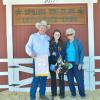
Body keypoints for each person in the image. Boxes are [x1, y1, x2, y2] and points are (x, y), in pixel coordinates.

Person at [25, 20, 50, 100]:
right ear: (39, 28)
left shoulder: (48, 38)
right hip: (37, 60)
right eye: (41, 27)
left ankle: (42, 95)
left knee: (43, 79)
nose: (43, 28)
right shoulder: (33, 36)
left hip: (46, 60)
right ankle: (32, 97)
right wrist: (31, 53)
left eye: (44, 27)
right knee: (36, 79)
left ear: (46, 29)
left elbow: (49, 49)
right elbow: (28, 47)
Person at [62, 28, 86, 99]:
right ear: (66, 35)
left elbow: (81, 53)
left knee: (79, 80)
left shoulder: (78, 42)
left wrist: (80, 63)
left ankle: (82, 95)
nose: (70, 35)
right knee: (70, 80)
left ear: (74, 34)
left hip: (76, 63)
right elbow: (63, 53)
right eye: (68, 34)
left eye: (71, 34)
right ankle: (73, 94)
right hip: (67, 63)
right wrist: (62, 63)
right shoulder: (66, 43)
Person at [49, 29, 65, 100]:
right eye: (56, 34)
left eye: (58, 34)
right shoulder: (50, 43)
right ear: (53, 35)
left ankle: (62, 94)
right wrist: (51, 53)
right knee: (53, 79)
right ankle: (54, 93)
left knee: (61, 79)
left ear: (60, 35)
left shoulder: (62, 43)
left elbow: (64, 53)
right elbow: (47, 52)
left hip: (60, 63)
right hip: (52, 63)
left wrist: (57, 54)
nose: (57, 35)